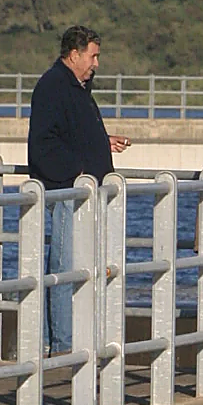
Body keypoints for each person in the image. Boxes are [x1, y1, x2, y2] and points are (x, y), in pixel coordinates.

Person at [28, 25, 131, 354]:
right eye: (93, 56)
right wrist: (79, 170)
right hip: (69, 195)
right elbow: (43, 144)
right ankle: (62, 344)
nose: (96, 64)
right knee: (64, 268)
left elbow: (72, 133)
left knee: (87, 269)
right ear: (74, 55)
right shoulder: (53, 86)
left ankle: (79, 340)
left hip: (87, 195)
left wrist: (103, 142)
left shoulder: (76, 86)